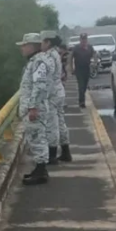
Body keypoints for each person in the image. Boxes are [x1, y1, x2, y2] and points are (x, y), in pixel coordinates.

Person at [17, 32, 51, 185]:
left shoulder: (38, 62)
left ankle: (41, 171)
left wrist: (33, 107)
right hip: (33, 107)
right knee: (35, 138)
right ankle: (39, 169)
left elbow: (39, 85)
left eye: (24, 46)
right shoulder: (35, 61)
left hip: (35, 108)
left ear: (31, 46)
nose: (21, 49)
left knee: (38, 138)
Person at [40, 30, 71, 164]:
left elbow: (48, 77)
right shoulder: (56, 54)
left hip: (52, 93)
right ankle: (65, 151)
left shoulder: (49, 56)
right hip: (59, 91)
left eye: (42, 42)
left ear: (48, 42)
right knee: (60, 122)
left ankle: (52, 155)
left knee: (52, 125)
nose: (40, 45)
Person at [70, 33, 96, 108]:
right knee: (81, 86)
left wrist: (95, 63)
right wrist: (71, 68)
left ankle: (82, 98)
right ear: (80, 39)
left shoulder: (90, 47)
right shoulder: (76, 48)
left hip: (87, 69)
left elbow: (94, 55)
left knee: (84, 86)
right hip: (79, 69)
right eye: (82, 39)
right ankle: (81, 102)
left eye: (85, 39)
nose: (84, 41)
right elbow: (71, 58)